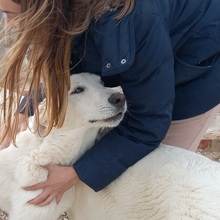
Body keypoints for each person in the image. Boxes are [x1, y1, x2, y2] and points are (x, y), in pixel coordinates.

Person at [0, 0, 220, 207]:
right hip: (155, 47)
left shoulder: (135, 19)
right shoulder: (67, 11)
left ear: (44, 9)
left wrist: (75, 174)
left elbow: (149, 121)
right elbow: (64, 60)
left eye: (11, 15)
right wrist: (25, 109)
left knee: (155, 171)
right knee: (111, 159)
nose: (10, 25)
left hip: (198, 69)